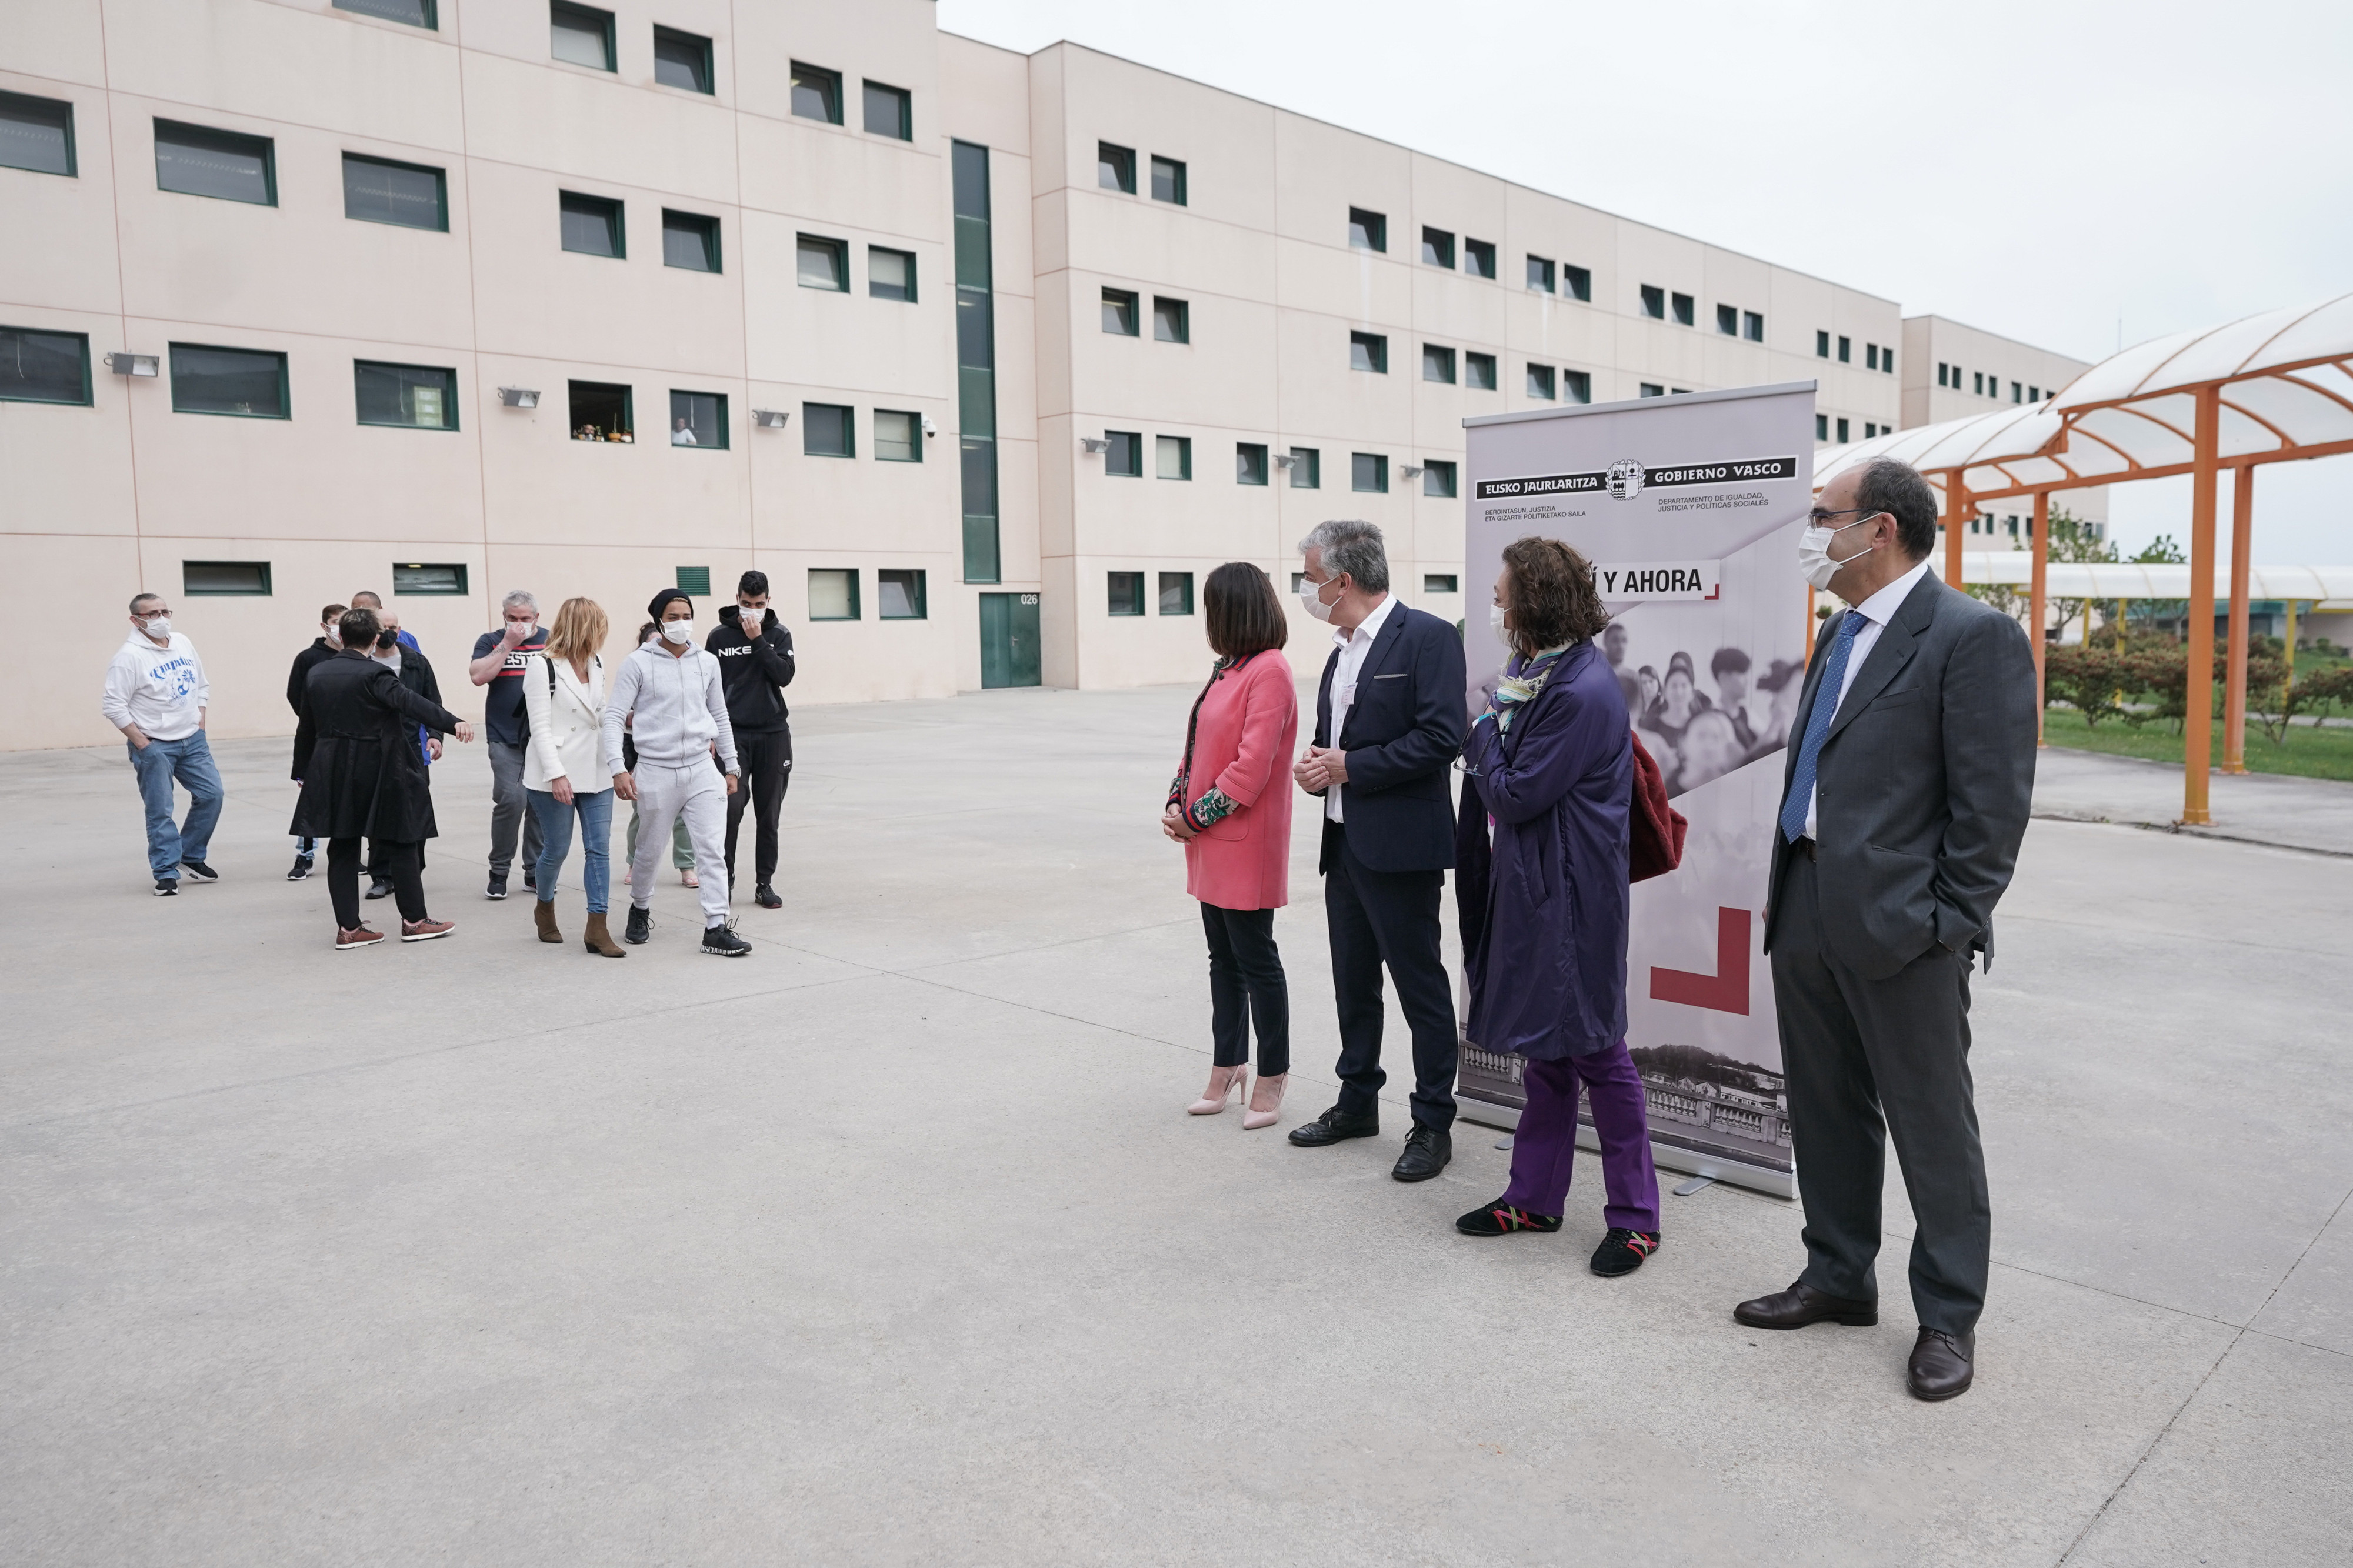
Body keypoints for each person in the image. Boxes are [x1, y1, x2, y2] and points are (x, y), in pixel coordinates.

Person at [1737, 456, 2037, 1403]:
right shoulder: (1840, 632)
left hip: (1906, 927)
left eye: (1821, 516)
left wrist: (1948, 921)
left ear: (1882, 529)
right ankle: (1839, 1273)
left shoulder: (1971, 636)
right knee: (1825, 1107)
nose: (1810, 532)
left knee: (1932, 1125)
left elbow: (1992, 808)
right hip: (1809, 903)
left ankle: (1948, 1314)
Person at [1455, 538, 1661, 1275]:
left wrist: (1479, 731)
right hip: (1538, 886)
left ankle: (1636, 1219)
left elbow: (1513, 792)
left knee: (1600, 1054)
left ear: (1533, 600)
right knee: (1547, 1055)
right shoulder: (1534, 670)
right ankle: (1534, 1197)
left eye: (1504, 591)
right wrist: (1495, 731)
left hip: (1573, 898)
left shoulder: (1578, 690)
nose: (1497, 603)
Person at [1287, 519, 1467, 1181]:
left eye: (1309, 578)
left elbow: (1443, 737)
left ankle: (1431, 1121)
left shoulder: (1426, 637)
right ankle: (1357, 1099)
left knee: (1420, 987)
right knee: (1352, 983)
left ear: (1344, 579)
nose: (1305, 590)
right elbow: (1333, 740)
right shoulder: (1340, 651)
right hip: (1344, 843)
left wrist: (1350, 767)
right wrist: (1317, 768)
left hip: (1400, 848)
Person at [1161, 562, 1298, 1129]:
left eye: (1212, 607)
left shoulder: (1270, 672)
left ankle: (1273, 1072)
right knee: (1223, 961)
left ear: (1232, 609)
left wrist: (1196, 815)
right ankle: (1227, 1065)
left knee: (1256, 960)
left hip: (1243, 841)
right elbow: (1197, 748)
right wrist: (1175, 799)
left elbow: (1252, 766)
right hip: (1210, 841)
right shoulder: (1227, 669)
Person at [292, 606, 476, 948]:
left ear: (341, 637)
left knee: (343, 845)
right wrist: (453, 724)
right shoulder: (376, 674)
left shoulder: (317, 673)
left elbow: (307, 726)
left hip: (332, 766)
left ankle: (349, 929)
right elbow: (412, 703)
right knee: (402, 839)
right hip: (379, 765)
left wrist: (302, 770)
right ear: (376, 639)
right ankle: (415, 921)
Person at [602, 589, 752, 957]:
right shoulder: (638, 663)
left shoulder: (707, 662)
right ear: (659, 620)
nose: (680, 622)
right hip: (656, 769)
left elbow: (720, 715)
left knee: (712, 851)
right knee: (649, 851)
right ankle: (639, 909)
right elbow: (613, 716)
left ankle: (716, 927)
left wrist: (731, 766)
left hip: (702, 768)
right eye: (672, 616)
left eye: (686, 614)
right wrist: (618, 768)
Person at [101, 592, 223, 896]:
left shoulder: (182, 642)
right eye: (152, 614)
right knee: (160, 810)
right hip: (155, 746)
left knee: (212, 795)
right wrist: (144, 744)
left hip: (192, 739)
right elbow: (113, 706)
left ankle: (191, 857)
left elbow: (201, 686)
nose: (160, 619)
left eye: (164, 612)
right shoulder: (128, 658)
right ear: (136, 620)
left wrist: (200, 723)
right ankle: (166, 872)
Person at [523, 598, 624, 957]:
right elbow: (539, 727)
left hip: (596, 771)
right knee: (557, 849)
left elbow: (602, 711)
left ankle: (597, 928)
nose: (602, 634)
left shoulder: (596, 662)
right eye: (598, 627)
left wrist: (619, 763)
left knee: (599, 850)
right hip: (555, 772)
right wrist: (557, 775)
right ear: (584, 627)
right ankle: (545, 906)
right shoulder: (542, 666)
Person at [706, 571, 796, 910]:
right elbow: (707, 688)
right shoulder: (718, 637)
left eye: (758, 605)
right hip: (733, 736)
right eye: (746, 604)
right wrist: (710, 734)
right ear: (737, 599)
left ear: (768, 602)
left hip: (773, 735)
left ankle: (764, 884)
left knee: (768, 814)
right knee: (730, 810)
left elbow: (784, 677)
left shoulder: (779, 634)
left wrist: (759, 640)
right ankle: (723, 880)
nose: (752, 610)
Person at [469, 590, 550, 900]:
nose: (520, 624)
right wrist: (508, 644)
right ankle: (499, 870)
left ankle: (534, 871)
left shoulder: (550, 640)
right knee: (511, 800)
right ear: (504, 617)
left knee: (541, 806)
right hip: (504, 736)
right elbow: (478, 676)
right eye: (513, 619)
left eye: (525, 619)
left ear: (536, 618)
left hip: (543, 737)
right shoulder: (490, 641)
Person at [361, 606, 446, 901]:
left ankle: (412, 872)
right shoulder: (361, 663)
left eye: (394, 627)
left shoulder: (415, 662)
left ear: (400, 630)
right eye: (383, 627)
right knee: (379, 815)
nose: (389, 632)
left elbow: (432, 701)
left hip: (413, 748)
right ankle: (381, 876)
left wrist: (435, 736)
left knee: (416, 812)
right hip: (373, 750)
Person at [621, 620, 698, 882]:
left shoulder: (687, 671)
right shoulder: (636, 670)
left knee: (682, 817)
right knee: (642, 816)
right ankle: (635, 863)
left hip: (680, 759)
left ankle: (687, 866)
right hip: (645, 760)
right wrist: (628, 765)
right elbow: (621, 724)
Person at [284, 603, 345, 880]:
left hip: (350, 740)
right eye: (335, 622)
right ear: (324, 626)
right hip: (318, 739)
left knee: (347, 799)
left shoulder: (358, 656)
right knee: (312, 798)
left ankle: (347, 854)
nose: (340, 628)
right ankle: (305, 855)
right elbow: (296, 696)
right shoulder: (308, 658)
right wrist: (319, 722)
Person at [1709, 646, 1757, 750]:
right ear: (1724, 678)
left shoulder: (1747, 713)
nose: (1747, 681)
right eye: (1742, 674)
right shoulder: (1712, 717)